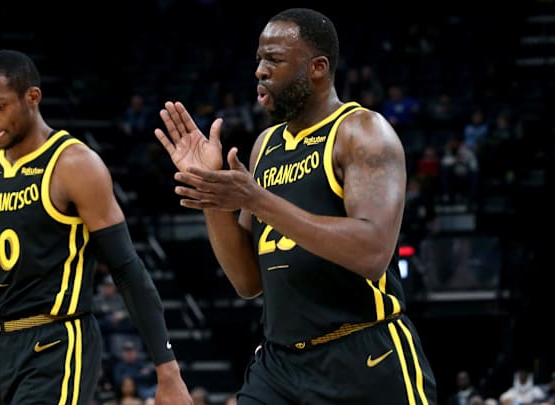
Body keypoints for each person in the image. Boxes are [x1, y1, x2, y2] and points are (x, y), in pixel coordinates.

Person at [154, 8, 437, 405]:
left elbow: (373, 251)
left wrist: (257, 199)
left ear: (317, 67)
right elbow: (247, 282)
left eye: (274, 59)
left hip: (364, 355)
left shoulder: (361, 133)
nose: (259, 71)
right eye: (258, 59)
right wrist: (212, 192)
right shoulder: (265, 146)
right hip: (280, 365)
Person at [0, 49, 191, 405]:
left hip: (57, 341)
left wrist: (167, 370)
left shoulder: (75, 164)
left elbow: (126, 269)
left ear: (32, 97)